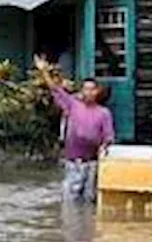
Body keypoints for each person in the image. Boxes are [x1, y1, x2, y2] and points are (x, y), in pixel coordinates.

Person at [36, 56, 114, 203]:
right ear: (82, 91)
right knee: (70, 201)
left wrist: (104, 146)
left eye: (92, 89)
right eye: (86, 89)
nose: (89, 92)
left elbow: (108, 136)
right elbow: (55, 89)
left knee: (89, 200)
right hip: (73, 162)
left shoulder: (104, 113)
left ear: (97, 92)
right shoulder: (72, 105)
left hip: (92, 163)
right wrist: (44, 71)